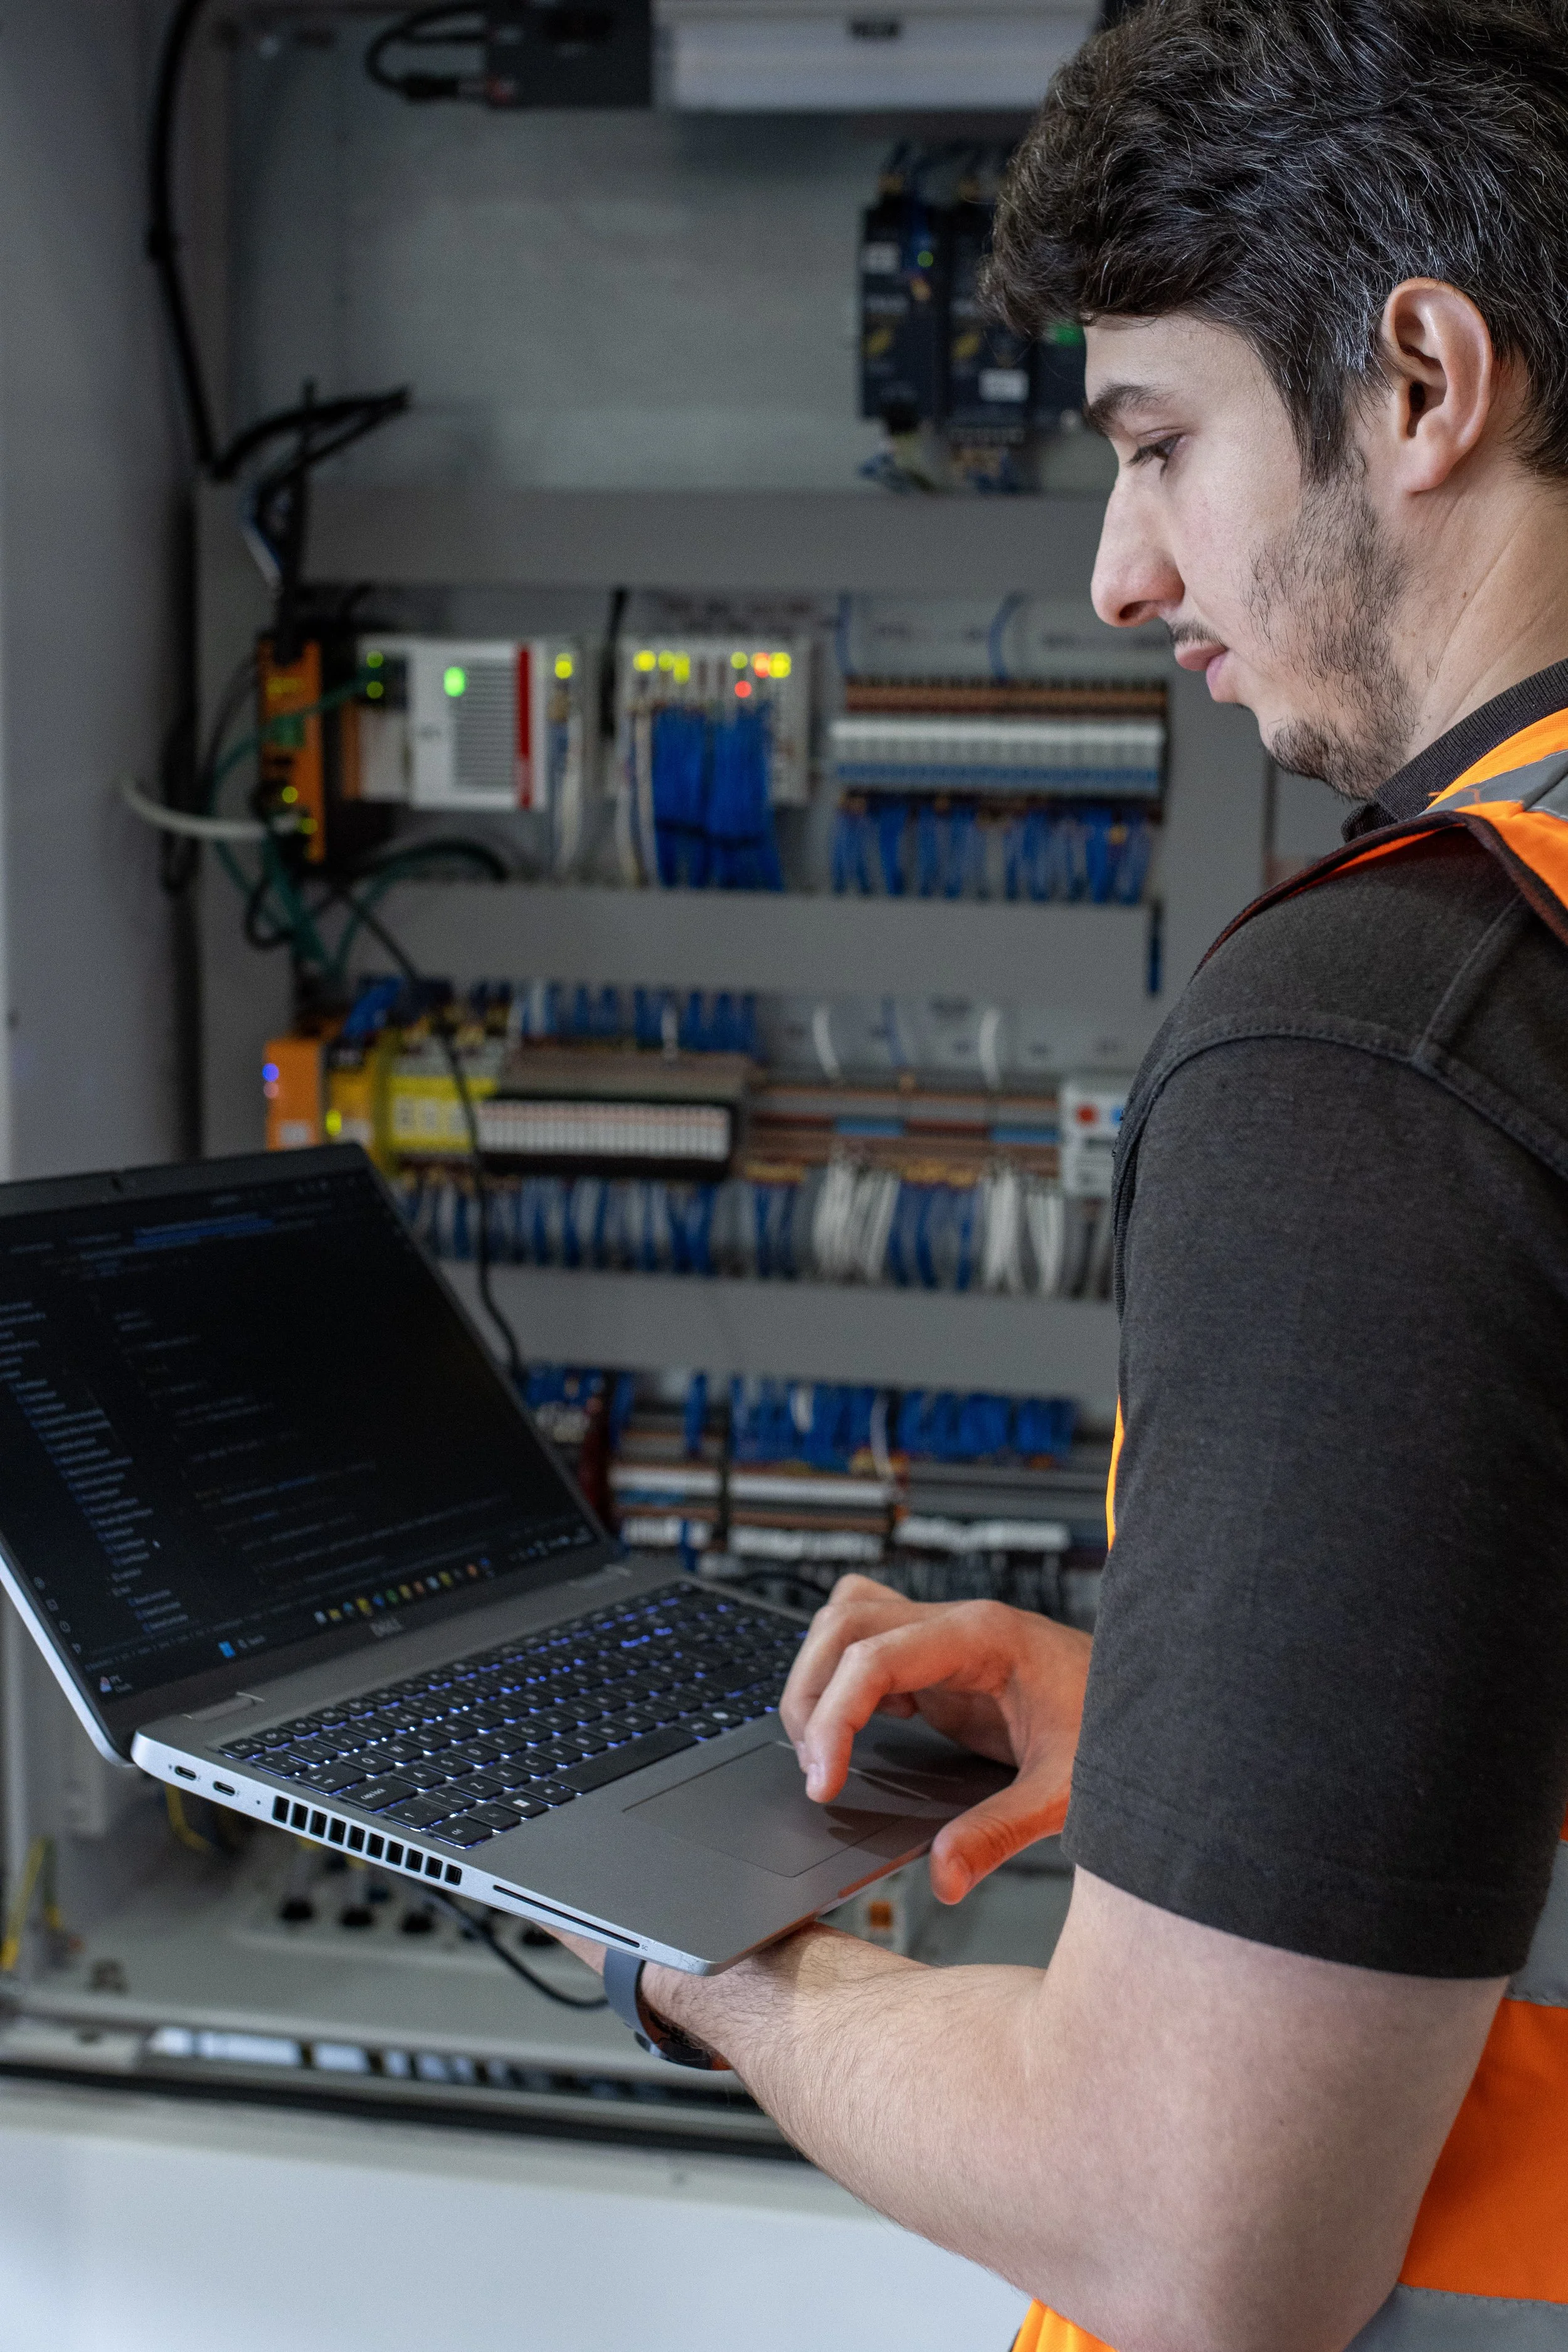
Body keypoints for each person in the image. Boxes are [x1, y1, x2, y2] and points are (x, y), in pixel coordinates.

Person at [554, 5, 1568, 2345]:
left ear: (1421, 381)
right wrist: (1238, 1735)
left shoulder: (1384, 1038)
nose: (1121, 574)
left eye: (1160, 442)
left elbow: (1191, 2241)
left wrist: (689, 1939)